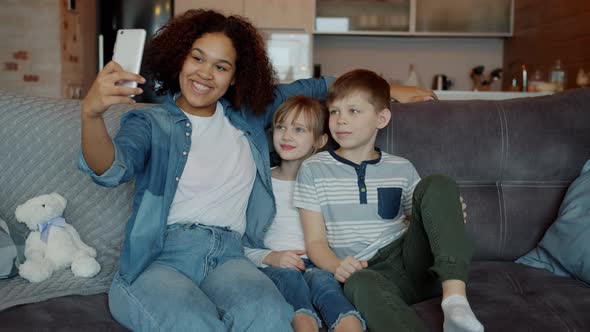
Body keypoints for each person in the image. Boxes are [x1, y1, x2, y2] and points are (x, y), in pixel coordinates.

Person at [79, 8, 435, 331]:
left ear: (235, 77)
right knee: (191, 323)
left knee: (271, 317)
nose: (205, 73)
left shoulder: (247, 117)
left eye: (221, 66)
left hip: (231, 256)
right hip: (163, 255)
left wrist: (392, 90)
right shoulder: (150, 121)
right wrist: (91, 114)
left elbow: (316, 86)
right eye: (197, 58)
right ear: (180, 59)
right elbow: (111, 168)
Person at [294, 69, 484, 332]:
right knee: (359, 284)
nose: (340, 121)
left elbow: (422, 213)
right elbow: (314, 242)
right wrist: (337, 266)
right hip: (368, 272)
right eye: (335, 111)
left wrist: (447, 212)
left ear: (381, 118)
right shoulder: (314, 168)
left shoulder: (401, 167)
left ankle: (455, 301)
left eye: (353, 111)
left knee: (438, 184)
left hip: (415, 261)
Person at [245, 96, 365, 332]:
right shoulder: (258, 180)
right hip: (275, 266)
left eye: (299, 129)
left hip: (319, 264)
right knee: (290, 280)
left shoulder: (327, 183)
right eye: (280, 126)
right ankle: (304, 324)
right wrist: (270, 257)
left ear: (320, 140)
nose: (286, 136)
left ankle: (349, 325)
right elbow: (238, 239)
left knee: (325, 283)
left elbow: (361, 219)